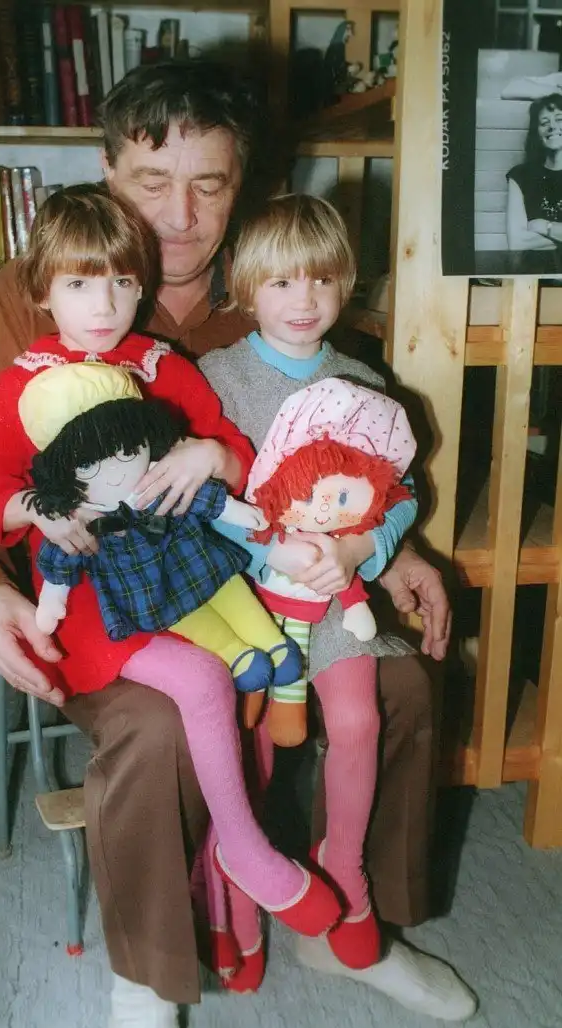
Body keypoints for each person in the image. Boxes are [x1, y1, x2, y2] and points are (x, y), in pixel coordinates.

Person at [0, 60, 470, 1028]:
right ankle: (150, 977)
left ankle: (354, 920)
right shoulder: (29, 299)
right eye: (150, 182)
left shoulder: (271, 296)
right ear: (105, 171)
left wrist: (396, 547)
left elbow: (333, 461)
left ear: (242, 184)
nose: (177, 216)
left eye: (208, 185)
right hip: (95, 604)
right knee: (162, 720)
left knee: (400, 682)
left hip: (254, 584)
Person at [0, 187, 341, 941]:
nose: (104, 306)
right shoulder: (25, 380)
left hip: (179, 575)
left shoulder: (162, 366)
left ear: (143, 286)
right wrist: (35, 508)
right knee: (203, 680)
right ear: (43, 293)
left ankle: (225, 873)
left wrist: (211, 454)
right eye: (78, 284)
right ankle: (244, 852)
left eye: (123, 283)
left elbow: (237, 455)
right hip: (91, 601)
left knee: (241, 672)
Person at [197, 194, 417, 982]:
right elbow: (201, 501)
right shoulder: (216, 380)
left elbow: (403, 494)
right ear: (245, 287)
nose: (305, 300)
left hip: (334, 597)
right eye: (282, 281)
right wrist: (271, 556)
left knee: (358, 719)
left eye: (322, 279)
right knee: (246, 752)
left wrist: (358, 547)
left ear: (346, 284)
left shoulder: (360, 379)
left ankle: (346, 871)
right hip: (244, 600)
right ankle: (238, 901)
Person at [506, 93, 562, 252]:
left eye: (559, 119)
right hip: (534, 265)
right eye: (544, 122)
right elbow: (516, 242)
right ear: (536, 132)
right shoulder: (520, 176)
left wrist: (546, 227)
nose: (552, 127)